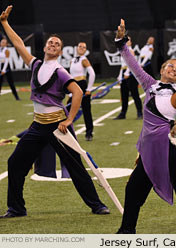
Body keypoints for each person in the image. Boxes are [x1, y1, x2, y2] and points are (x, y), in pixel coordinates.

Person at [0, 5, 109, 218]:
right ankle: (16, 208)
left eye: (57, 44)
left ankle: (97, 205)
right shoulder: (36, 64)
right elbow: (18, 44)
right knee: (15, 163)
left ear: (60, 51)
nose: (52, 44)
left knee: (75, 167)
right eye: (50, 42)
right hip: (38, 125)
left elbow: (77, 92)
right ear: (45, 47)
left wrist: (69, 120)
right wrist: (4, 23)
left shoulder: (60, 72)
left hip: (58, 126)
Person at [114, 19, 176, 234]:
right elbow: (132, 63)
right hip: (149, 150)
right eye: (171, 66)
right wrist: (121, 42)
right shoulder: (149, 85)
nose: (174, 69)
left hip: (170, 149)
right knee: (134, 190)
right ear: (162, 70)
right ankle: (126, 232)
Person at [68, 42, 95, 141]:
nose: (81, 48)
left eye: (84, 47)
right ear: (77, 48)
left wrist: (89, 88)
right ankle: (67, 132)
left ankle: (89, 133)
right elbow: (70, 76)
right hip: (73, 86)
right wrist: (70, 92)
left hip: (82, 85)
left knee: (86, 110)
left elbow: (92, 74)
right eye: (80, 46)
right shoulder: (72, 60)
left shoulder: (84, 60)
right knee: (67, 110)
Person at [114, 36, 143, 120]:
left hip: (131, 74)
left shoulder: (130, 51)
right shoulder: (122, 51)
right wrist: (120, 76)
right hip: (124, 73)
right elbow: (122, 65)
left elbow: (131, 63)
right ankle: (123, 113)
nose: (127, 42)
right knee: (124, 95)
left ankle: (139, 112)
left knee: (135, 94)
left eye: (129, 40)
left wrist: (127, 73)